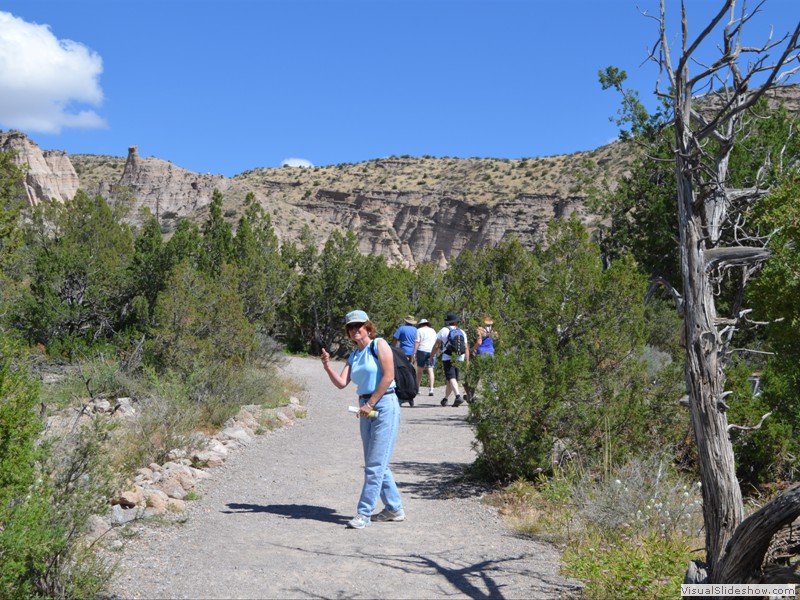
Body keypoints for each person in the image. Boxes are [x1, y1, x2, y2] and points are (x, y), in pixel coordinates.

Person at [320, 309, 405, 529]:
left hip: (384, 404)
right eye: (350, 327)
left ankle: (364, 513)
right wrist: (327, 365)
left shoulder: (380, 345)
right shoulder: (355, 355)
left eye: (359, 326)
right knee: (375, 463)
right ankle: (394, 509)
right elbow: (341, 383)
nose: (355, 330)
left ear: (368, 327)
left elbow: (389, 376)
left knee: (375, 464)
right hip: (365, 407)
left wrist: (371, 404)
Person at [430, 311, 469, 407]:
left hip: (448, 357)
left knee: (451, 377)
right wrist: (467, 361)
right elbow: (466, 347)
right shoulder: (462, 332)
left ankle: (458, 396)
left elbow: (437, 345)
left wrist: (431, 356)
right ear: (456, 322)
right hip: (460, 357)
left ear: (448, 322)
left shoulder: (444, 330)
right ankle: (445, 399)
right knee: (451, 379)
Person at [465, 314, 497, 402]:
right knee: (490, 375)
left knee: (476, 374)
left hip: (482, 353)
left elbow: (479, 342)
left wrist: (471, 349)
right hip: (491, 353)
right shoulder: (493, 331)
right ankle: (493, 396)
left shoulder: (479, 330)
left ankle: (470, 395)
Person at [412, 318, 437, 397]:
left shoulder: (419, 330)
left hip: (421, 350)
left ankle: (417, 388)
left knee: (420, 370)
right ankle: (431, 389)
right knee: (430, 369)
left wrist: (414, 352)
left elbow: (417, 342)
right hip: (431, 350)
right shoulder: (433, 330)